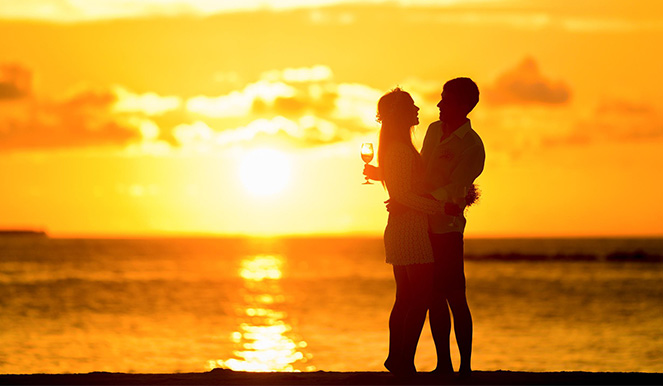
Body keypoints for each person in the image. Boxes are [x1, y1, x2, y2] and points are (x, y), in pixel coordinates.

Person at [365, 78, 485, 378]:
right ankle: (426, 362)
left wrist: (407, 196)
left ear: (462, 104)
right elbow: (410, 183)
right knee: (423, 297)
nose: (436, 104)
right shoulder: (426, 135)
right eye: (440, 97)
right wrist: (400, 191)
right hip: (416, 225)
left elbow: (452, 187)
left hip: (442, 227)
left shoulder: (471, 145)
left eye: (445, 99)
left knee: (449, 295)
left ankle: (460, 367)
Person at [374, 88, 445, 375]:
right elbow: (403, 196)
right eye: (411, 106)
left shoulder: (394, 147)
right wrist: (443, 207)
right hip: (411, 230)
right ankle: (403, 360)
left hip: (400, 229)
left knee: (405, 298)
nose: (417, 110)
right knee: (420, 298)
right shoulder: (401, 150)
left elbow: (400, 188)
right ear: (398, 114)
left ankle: (398, 357)